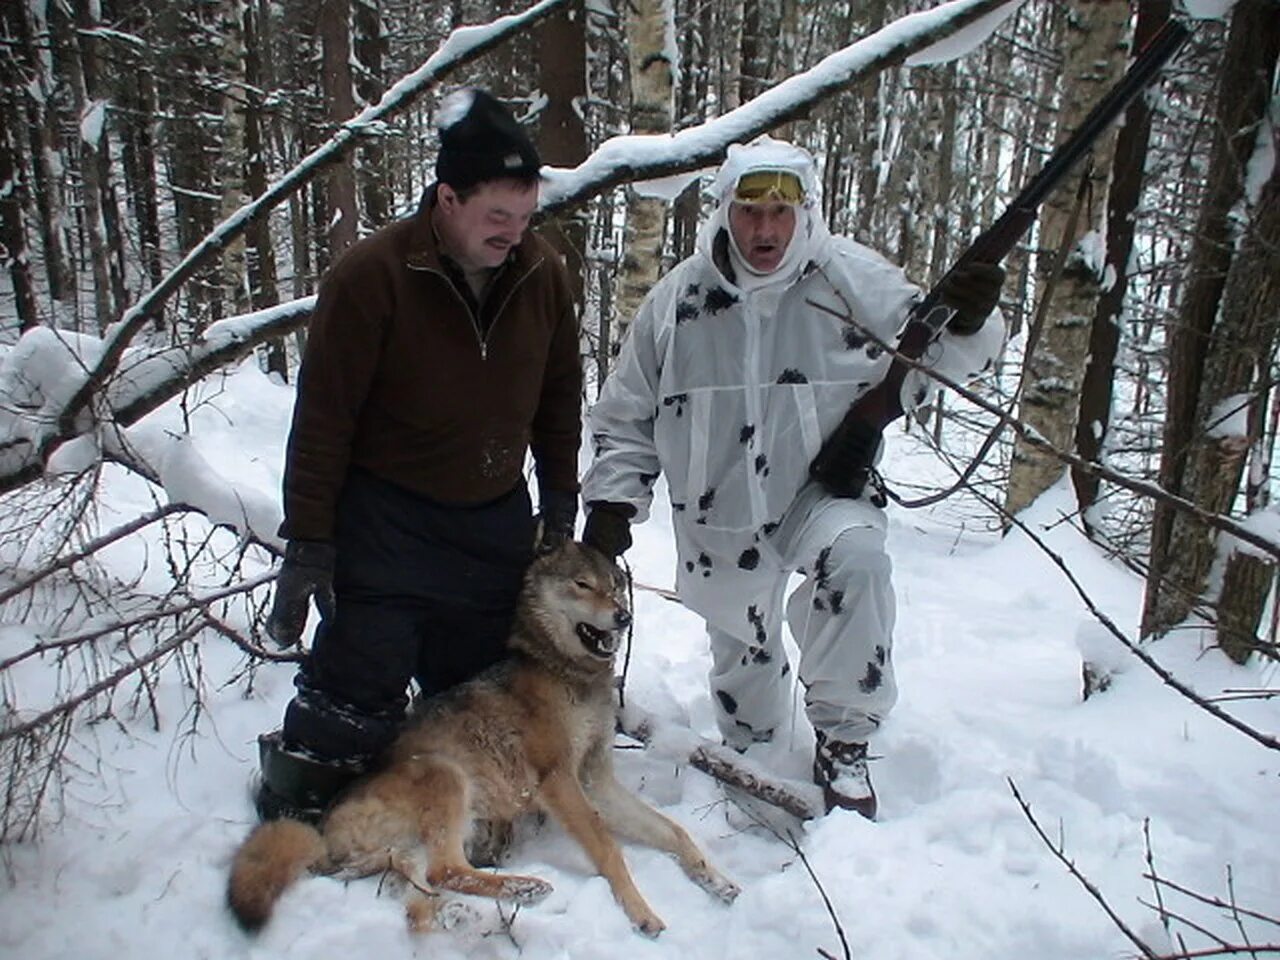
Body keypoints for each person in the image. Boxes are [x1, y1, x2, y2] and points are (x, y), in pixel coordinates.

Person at [579, 137, 1005, 819]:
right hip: (716, 517)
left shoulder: (852, 281)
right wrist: (610, 505)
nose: (765, 229)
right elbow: (625, 415)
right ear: (724, 211)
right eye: (749, 210)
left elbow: (950, 354)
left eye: (780, 210)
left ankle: (844, 740)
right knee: (745, 694)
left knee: (859, 565)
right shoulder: (677, 303)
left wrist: (975, 317)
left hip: (822, 495)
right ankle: (756, 748)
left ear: (805, 209)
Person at [255, 88, 583, 823]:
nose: (514, 234)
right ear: (447, 199)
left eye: (526, 217)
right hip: (388, 523)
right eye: (497, 217)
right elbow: (323, 420)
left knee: (481, 712)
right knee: (344, 716)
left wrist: (560, 496)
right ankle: (307, 797)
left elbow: (561, 394)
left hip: (493, 524)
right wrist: (310, 540)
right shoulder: (371, 277)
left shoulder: (541, 274)